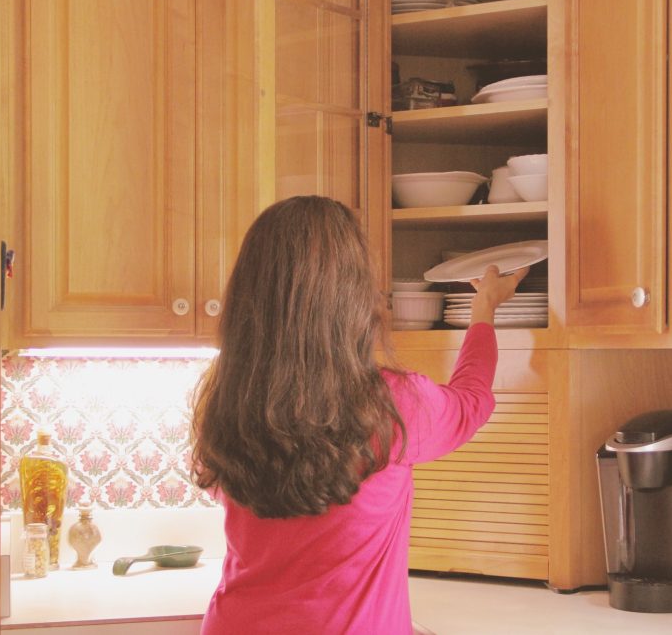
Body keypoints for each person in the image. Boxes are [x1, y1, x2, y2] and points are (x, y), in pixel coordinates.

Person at [191, 196, 527, 634]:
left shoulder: (225, 402)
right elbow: (470, 401)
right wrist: (484, 310)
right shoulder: (390, 404)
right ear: (353, 297)